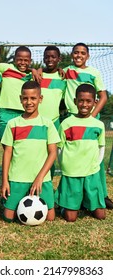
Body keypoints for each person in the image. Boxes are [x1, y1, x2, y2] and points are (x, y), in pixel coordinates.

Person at [0, 81, 60, 223]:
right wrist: (4, 181)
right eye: (25, 98)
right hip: (18, 178)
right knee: (8, 218)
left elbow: (53, 153)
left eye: (33, 98)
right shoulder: (13, 124)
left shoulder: (47, 124)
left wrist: (39, 178)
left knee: (50, 218)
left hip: (41, 180)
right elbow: (7, 153)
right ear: (20, 99)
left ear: (40, 99)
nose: (29, 102)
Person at [63, 42, 113, 209]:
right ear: (71, 54)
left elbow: (103, 96)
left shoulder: (94, 72)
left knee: (94, 162)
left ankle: (101, 195)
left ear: (88, 56)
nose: (79, 55)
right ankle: (71, 197)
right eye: (76, 52)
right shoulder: (66, 71)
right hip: (72, 118)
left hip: (90, 118)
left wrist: (90, 117)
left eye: (83, 53)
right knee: (75, 159)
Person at [54, 83, 106, 222]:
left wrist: (96, 164)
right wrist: (64, 165)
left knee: (101, 215)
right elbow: (59, 148)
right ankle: (67, 205)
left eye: (88, 101)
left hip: (91, 172)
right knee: (71, 218)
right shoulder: (66, 123)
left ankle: (85, 201)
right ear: (75, 101)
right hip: (72, 172)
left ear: (95, 102)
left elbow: (101, 147)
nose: (84, 104)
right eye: (81, 100)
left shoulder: (98, 125)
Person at [0, 46, 42, 141]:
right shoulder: (6, 68)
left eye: (26, 60)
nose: (22, 63)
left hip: (23, 114)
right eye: (19, 60)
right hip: (4, 113)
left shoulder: (32, 76)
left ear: (30, 61)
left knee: (19, 145)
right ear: (14, 59)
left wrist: (34, 70)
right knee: (7, 145)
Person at [39, 46, 66, 130]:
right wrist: (37, 69)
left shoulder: (63, 78)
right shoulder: (37, 76)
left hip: (55, 121)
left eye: (53, 57)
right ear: (43, 59)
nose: (50, 59)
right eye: (47, 57)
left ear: (59, 59)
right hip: (37, 121)